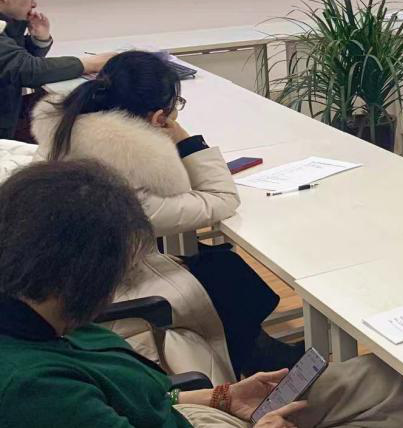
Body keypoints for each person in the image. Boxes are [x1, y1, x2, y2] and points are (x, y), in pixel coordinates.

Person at [0, 159, 403, 428]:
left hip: (200, 414)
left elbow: (136, 400)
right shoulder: (34, 391)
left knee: (400, 381)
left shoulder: (46, 322)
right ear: (83, 271)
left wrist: (222, 397)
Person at [31, 51, 299, 381]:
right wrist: (186, 140)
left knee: (224, 264)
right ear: (159, 117)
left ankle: (257, 350)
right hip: (108, 291)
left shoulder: (68, 137)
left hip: (83, 273)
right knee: (224, 274)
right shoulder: (123, 181)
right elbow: (221, 200)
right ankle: (256, 357)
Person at [0, 0, 111, 140]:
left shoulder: (10, 23)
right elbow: (27, 70)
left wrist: (39, 40)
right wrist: (91, 63)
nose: (34, 4)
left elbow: (12, 62)